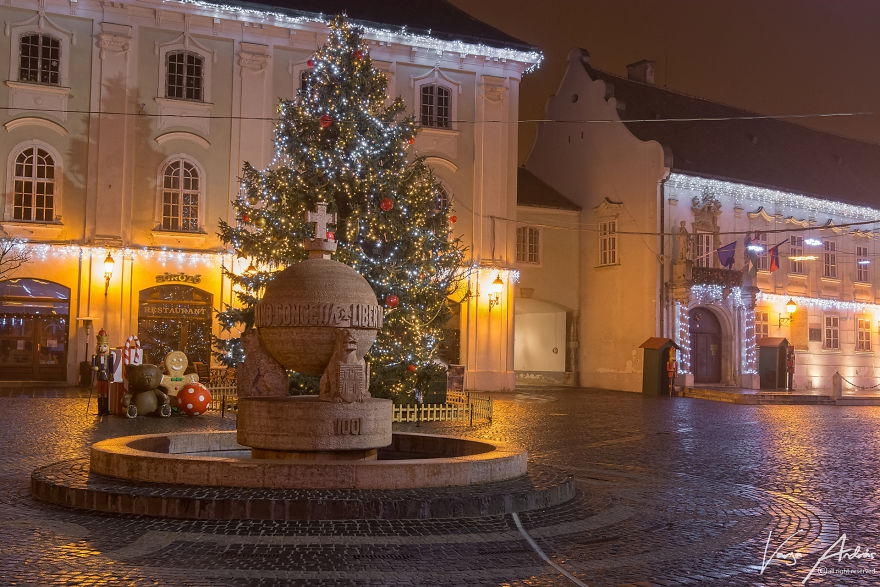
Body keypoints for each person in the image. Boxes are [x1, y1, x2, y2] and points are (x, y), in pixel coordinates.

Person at [92, 329, 114, 415]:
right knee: (99, 393)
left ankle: (105, 409)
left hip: (106, 375)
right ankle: (99, 410)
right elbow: (93, 365)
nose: (102, 348)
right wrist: (95, 367)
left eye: (104, 346)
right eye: (100, 346)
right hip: (99, 375)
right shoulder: (96, 356)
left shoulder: (109, 357)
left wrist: (111, 374)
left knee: (105, 392)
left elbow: (111, 366)